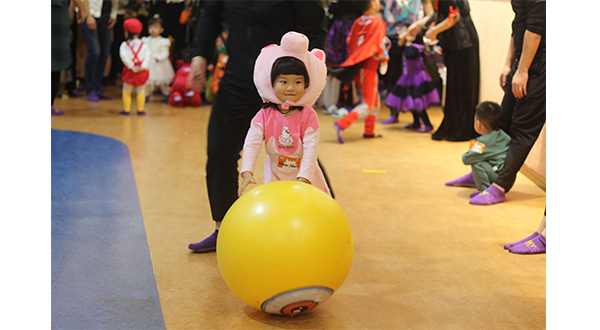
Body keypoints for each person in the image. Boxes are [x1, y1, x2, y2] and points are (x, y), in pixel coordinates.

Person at [186, 0, 329, 253]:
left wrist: (308, 80)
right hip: (238, 79)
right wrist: (199, 55)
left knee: (299, 155)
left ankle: (321, 222)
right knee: (220, 150)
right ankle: (225, 229)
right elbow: (210, 13)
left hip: (283, 87)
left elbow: (316, 29)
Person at [469, 0, 545, 206]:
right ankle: (483, 169)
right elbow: (518, 23)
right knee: (504, 122)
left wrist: (523, 70)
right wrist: (508, 64)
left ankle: (500, 186)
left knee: (522, 130)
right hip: (523, 63)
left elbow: (536, 29)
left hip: (539, 68)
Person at [238, 32, 330, 198]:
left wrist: (304, 178)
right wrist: (247, 171)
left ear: (306, 85)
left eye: (298, 82)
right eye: (283, 81)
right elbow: (252, 142)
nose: (290, 88)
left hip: (305, 176)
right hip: (275, 175)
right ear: (271, 83)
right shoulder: (264, 115)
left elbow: (311, 149)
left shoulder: (308, 115)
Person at [331, 0, 389, 144]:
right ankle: (343, 123)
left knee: (374, 101)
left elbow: (349, 41)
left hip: (357, 65)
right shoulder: (378, 23)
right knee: (369, 103)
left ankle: (369, 131)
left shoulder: (357, 21)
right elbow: (379, 46)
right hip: (369, 67)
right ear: (371, 5)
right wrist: (385, 57)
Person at [422, 0, 480, 141]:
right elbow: (440, 14)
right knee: (455, 87)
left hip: (462, 43)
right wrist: (420, 26)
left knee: (461, 87)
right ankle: (455, 126)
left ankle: (461, 129)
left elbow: (454, 17)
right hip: (457, 43)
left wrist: (433, 31)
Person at [379, 0, 434, 124]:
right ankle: (394, 112)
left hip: (415, 37)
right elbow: (379, 10)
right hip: (392, 37)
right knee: (393, 76)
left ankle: (418, 117)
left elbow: (431, 14)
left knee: (415, 80)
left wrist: (418, 27)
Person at [445, 101, 511, 197]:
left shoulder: (481, 142)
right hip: (506, 177)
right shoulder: (503, 135)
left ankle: (485, 191)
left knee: (477, 164)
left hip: (496, 177)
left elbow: (466, 159)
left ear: (478, 123)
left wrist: (472, 148)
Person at [385, 33, 439, 132]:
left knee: (418, 103)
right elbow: (399, 49)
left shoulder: (416, 48)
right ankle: (416, 122)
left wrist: (408, 43)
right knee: (410, 102)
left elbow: (409, 54)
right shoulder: (409, 47)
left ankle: (428, 124)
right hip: (408, 78)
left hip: (416, 79)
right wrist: (402, 42)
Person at [52, 0, 87, 115]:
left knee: (55, 61)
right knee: (55, 61)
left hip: (58, 10)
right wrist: (81, 10)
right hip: (57, 11)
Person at [80, 0, 119, 102]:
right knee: (95, 51)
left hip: (106, 15)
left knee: (104, 53)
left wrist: (114, 14)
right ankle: (90, 88)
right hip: (90, 14)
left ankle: (97, 88)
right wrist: (88, 15)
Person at [119, 18, 150, 115]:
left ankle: (126, 110)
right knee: (141, 90)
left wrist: (131, 66)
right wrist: (143, 67)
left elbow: (124, 57)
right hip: (142, 71)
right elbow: (148, 56)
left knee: (127, 90)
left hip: (129, 71)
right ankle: (140, 110)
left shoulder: (125, 44)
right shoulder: (144, 45)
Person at [142, 14, 175, 101]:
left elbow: (165, 53)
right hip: (150, 64)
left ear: (161, 29)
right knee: (148, 82)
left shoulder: (163, 41)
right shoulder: (145, 40)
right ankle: (146, 95)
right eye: (151, 27)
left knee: (163, 82)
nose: (153, 30)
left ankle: (167, 94)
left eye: (156, 27)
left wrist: (158, 58)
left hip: (160, 64)